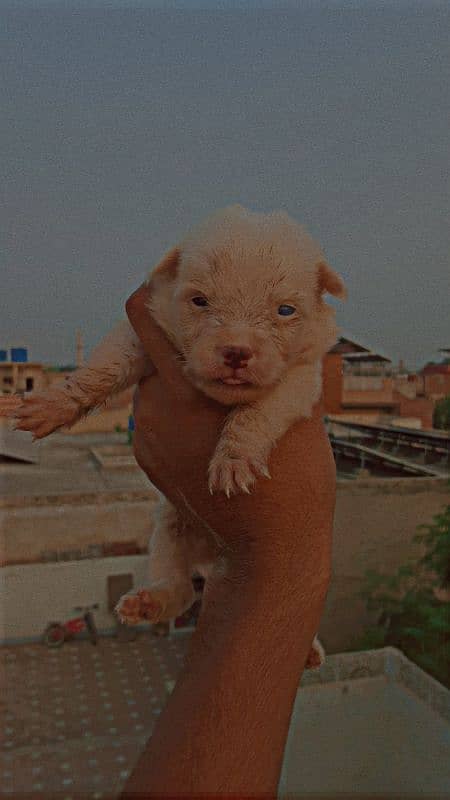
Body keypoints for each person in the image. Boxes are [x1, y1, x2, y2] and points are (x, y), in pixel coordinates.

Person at [120, 283, 336, 799]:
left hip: (246, 504)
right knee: (169, 532)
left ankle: (191, 599)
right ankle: (173, 591)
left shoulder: (291, 360)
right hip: (202, 517)